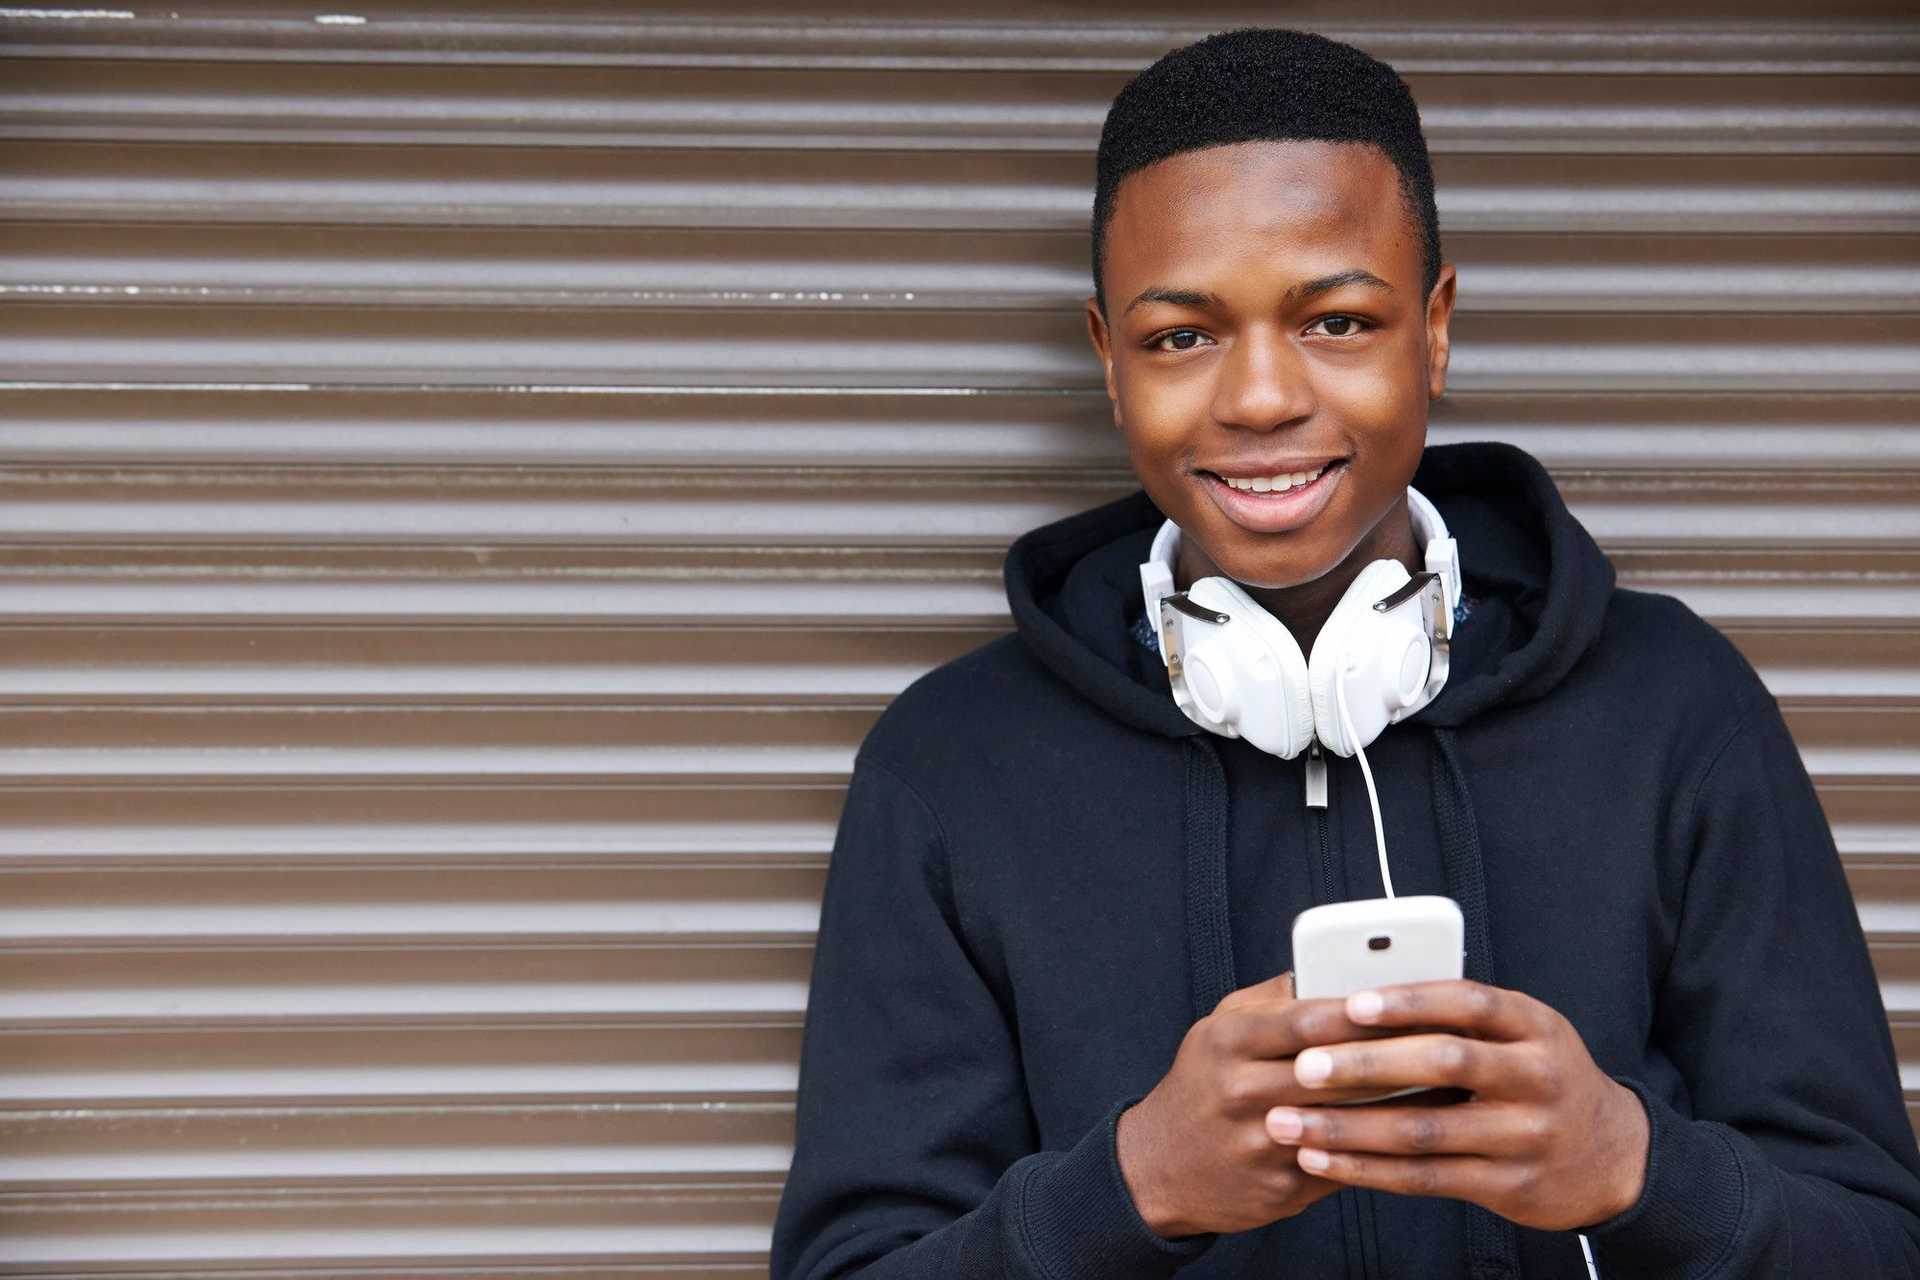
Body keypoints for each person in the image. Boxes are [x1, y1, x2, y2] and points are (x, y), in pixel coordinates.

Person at [769, 28, 1920, 1279]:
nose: (1260, 396)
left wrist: (1640, 1169)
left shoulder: (1675, 705)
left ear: (1433, 330)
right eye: (1181, 337)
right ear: (1107, 357)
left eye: (1337, 320)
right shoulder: (949, 766)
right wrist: (1132, 1186)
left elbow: (1873, 1235)